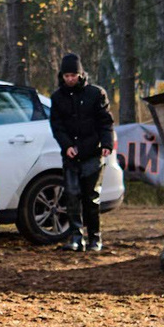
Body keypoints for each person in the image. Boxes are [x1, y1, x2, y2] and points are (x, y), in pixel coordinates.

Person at [49, 52, 115, 252]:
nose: (70, 79)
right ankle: (76, 237)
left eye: (73, 76)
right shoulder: (57, 97)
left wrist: (106, 144)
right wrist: (66, 145)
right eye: (67, 76)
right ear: (62, 76)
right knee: (72, 196)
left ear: (80, 74)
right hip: (71, 155)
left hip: (93, 153)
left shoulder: (96, 94)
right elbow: (57, 125)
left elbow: (106, 122)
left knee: (91, 198)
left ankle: (95, 238)